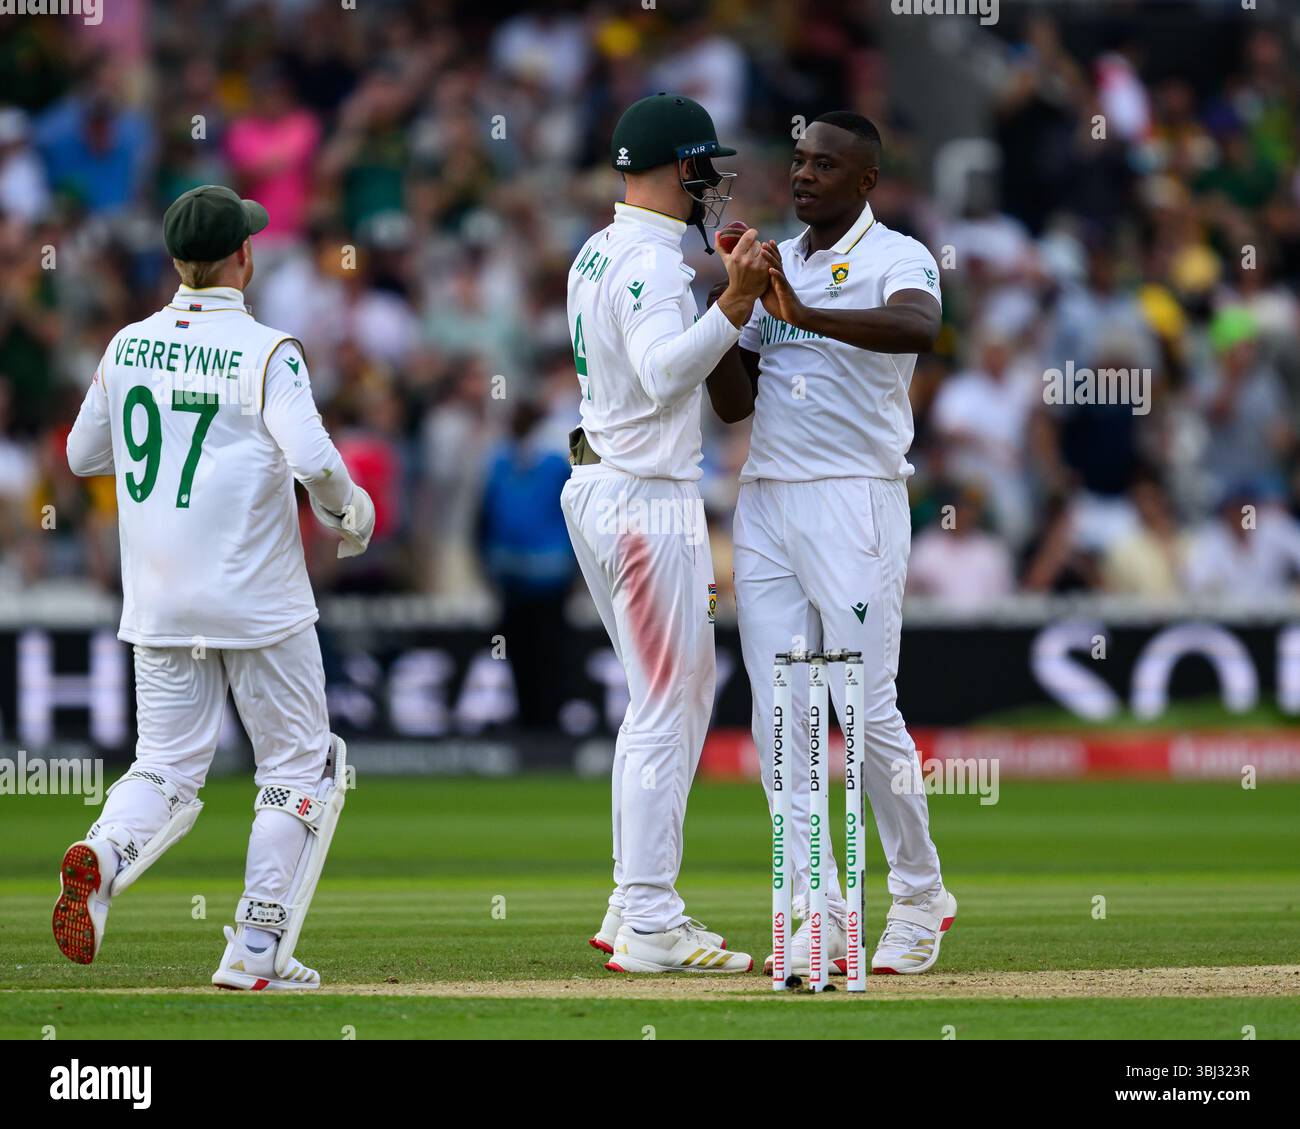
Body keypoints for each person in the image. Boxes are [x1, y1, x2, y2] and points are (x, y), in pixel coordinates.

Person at [55, 185, 375, 990]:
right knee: (301, 768)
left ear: (175, 260)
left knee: (164, 768)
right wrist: (350, 511)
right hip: (260, 600)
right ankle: (256, 947)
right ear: (245, 255)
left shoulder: (128, 344)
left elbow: (82, 456)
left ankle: (105, 853)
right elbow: (314, 460)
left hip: (160, 599)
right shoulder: (269, 351)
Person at [708, 111, 957, 976]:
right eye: (800, 160)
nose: (804, 175)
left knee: (865, 706)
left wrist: (803, 312)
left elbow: (920, 329)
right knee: (779, 713)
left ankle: (920, 893)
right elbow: (733, 402)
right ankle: (820, 909)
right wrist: (728, 305)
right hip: (766, 501)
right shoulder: (778, 261)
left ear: (866, 180)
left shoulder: (899, 256)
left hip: (856, 499)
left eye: (824, 164)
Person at [563, 93, 768, 974]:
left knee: (667, 696)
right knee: (668, 700)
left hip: (608, 486)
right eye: (703, 167)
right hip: (644, 500)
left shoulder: (600, 246)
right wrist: (735, 303)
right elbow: (659, 376)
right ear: (676, 167)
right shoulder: (651, 262)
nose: (711, 183)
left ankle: (630, 903)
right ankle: (649, 915)